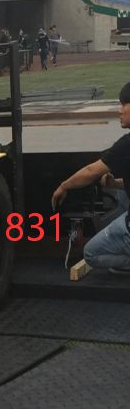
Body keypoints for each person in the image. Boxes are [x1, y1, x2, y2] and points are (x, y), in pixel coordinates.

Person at [51, 81, 130, 273]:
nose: (119, 111)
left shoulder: (126, 145)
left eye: (124, 105)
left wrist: (64, 186)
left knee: (91, 254)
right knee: (120, 194)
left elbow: (91, 172)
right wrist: (115, 183)